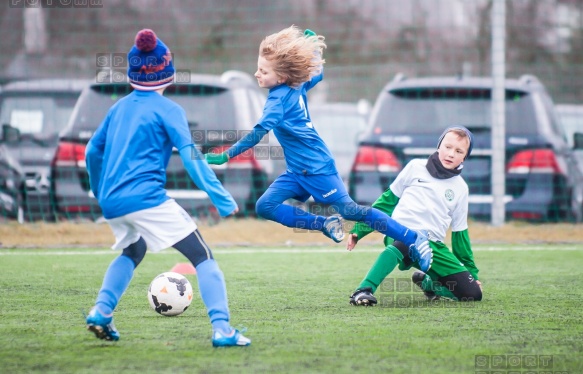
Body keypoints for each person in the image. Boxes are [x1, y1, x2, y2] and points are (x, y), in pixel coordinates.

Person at [204, 26, 432, 271]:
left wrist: (227, 154)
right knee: (264, 206)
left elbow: (257, 134)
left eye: (263, 70)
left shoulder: (277, 102)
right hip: (296, 172)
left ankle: (413, 238)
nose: (256, 74)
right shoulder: (297, 85)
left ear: (280, 77)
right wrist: (312, 49)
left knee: (351, 211)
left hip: (317, 168)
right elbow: (319, 73)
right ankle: (325, 225)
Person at [84, 29, 250, 347]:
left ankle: (102, 312)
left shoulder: (117, 108)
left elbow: (93, 151)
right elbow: (190, 157)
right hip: (147, 199)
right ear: (167, 74)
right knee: (202, 256)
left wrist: (99, 190)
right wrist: (222, 197)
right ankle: (223, 330)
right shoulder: (169, 110)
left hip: (112, 202)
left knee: (134, 249)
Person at [348, 126, 482, 306]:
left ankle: (428, 284)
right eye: (447, 147)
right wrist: (360, 230)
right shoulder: (415, 167)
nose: (451, 154)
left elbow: (460, 234)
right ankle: (363, 290)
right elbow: (386, 203)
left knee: (473, 294)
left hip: (433, 245)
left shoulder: (460, 188)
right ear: (439, 146)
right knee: (407, 240)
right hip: (400, 233)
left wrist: (471, 274)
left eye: (459, 151)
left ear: (465, 157)